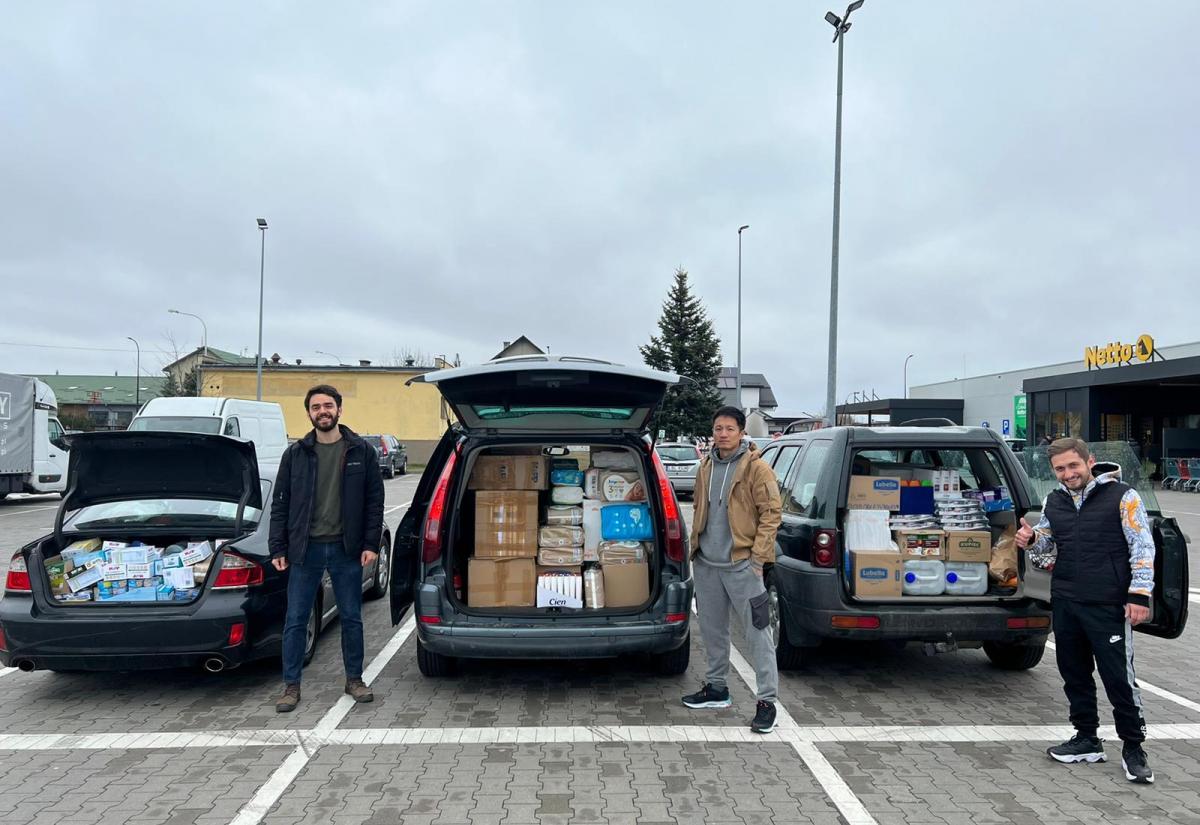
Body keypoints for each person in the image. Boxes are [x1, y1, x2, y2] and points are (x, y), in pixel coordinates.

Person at [1016, 437, 1156, 783]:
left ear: (1089, 461)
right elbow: (1047, 554)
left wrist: (1139, 596)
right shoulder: (1054, 501)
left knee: (1118, 678)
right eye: (1060, 469)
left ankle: (1134, 748)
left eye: (1073, 465)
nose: (1068, 474)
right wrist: (1033, 541)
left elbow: (1142, 547)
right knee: (1074, 673)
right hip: (1066, 600)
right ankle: (1086, 739)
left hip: (1108, 603)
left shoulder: (1123, 496)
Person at [269, 384, 385, 713]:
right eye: (316, 406)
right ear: (309, 413)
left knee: (352, 618)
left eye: (328, 405)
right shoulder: (295, 454)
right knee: (295, 619)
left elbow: (375, 502)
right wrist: (278, 546)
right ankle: (291, 686)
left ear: (339, 410)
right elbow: (281, 503)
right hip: (305, 551)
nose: (323, 411)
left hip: (346, 549)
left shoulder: (361, 451)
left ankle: (354, 679)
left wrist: (370, 544)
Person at [682, 406, 783, 733]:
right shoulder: (706, 465)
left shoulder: (757, 469)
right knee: (712, 631)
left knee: (758, 634)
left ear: (741, 432)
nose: (722, 434)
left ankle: (766, 701)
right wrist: (694, 550)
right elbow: (699, 508)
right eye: (717, 428)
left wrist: (757, 559)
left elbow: (771, 515)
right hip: (707, 565)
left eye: (728, 428)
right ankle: (717, 689)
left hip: (742, 565)